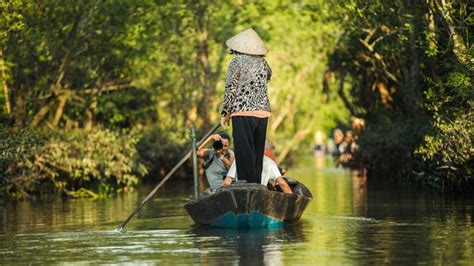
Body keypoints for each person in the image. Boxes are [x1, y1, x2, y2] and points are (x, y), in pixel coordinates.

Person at [220, 28, 272, 184]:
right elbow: (268, 76)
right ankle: (255, 185)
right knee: (256, 154)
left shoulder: (236, 62)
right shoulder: (264, 63)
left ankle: (245, 185)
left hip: (242, 112)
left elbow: (231, 88)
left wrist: (225, 112)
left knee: (244, 153)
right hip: (262, 113)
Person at [221, 139, 292, 194]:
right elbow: (282, 184)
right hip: (260, 195)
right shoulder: (269, 162)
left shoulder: (240, 159)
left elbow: (227, 182)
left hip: (240, 195)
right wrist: (293, 199)